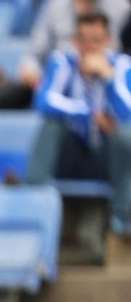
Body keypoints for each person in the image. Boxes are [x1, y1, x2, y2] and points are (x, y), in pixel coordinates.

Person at [28, 12, 131, 236]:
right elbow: (44, 102)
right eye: (84, 40)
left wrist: (108, 78)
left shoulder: (121, 66)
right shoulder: (62, 62)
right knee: (51, 126)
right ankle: (30, 203)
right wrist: (88, 113)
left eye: (97, 40)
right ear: (75, 41)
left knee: (125, 136)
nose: (90, 47)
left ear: (108, 41)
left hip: (107, 157)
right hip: (71, 154)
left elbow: (127, 113)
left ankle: (123, 216)